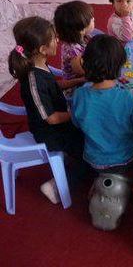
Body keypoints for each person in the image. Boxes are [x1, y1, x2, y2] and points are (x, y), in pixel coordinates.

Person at [8, 16, 86, 204]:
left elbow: (54, 86)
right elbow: (50, 118)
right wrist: (76, 116)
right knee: (90, 154)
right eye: (53, 38)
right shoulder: (33, 79)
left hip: (60, 122)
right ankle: (54, 187)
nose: (57, 40)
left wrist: (78, 81)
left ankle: (70, 155)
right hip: (50, 133)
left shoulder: (40, 64)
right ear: (42, 49)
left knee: (87, 136)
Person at [71, 34, 133, 207]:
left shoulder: (79, 94)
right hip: (125, 159)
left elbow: (77, 124)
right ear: (119, 66)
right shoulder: (127, 97)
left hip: (94, 160)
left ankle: (102, 181)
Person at [54, 0, 94, 97]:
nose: (94, 19)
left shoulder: (84, 37)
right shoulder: (73, 50)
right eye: (92, 19)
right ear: (81, 29)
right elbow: (84, 72)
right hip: (77, 87)